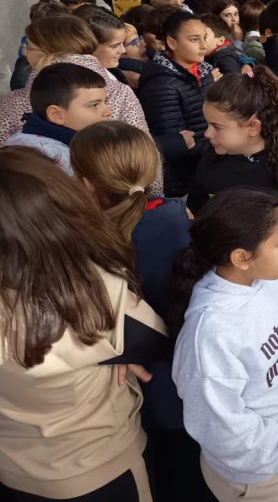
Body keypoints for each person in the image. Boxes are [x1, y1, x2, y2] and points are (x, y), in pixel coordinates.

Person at [0, 147, 167, 501]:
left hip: (13, 469)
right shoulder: (93, 290)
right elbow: (154, 340)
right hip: (101, 467)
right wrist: (117, 352)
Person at [70, 121, 213, 501]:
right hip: (198, 381)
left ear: (85, 183)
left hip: (138, 392)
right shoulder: (182, 219)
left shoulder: (81, 242)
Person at [171, 188, 278, 502]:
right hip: (257, 477)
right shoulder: (211, 334)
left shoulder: (271, 284)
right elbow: (226, 432)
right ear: (242, 257)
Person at [190, 68, 278, 223]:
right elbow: (198, 210)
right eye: (207, 124)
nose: (207, 133)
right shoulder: (211, 159)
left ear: (253, 127)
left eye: (216, 127)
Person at [0, 15, 152, 149]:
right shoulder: (121, 91)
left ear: (46, 52)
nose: (25, 53)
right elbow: (145, 150)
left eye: (29, 48)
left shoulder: (14, 103)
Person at [138, 12, 214, 197]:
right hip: (185, 179)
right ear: (172, 43)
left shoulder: (204, 71)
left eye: (204, 38)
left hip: (208, 164)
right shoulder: (161, 83)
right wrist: (222, 142)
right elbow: (177, 141)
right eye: (194, 39)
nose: (203, 46)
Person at [4, 63, 111, 174]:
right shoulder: (46, 158)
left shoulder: (79, 142)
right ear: (56, 115)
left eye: (106, 102)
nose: (108, 111)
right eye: (94, 105)